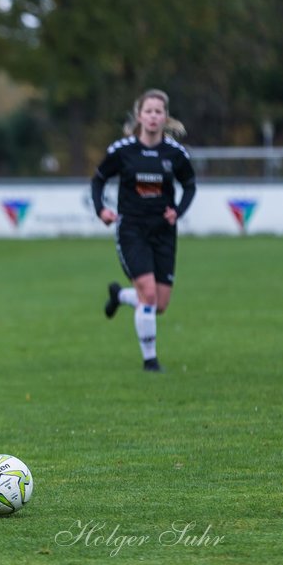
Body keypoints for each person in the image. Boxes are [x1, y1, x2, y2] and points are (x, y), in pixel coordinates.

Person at [92, 88, 196, 372]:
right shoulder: (122, 151)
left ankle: (121, 296)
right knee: (148, 294)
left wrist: (178, 211)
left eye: (158, 111)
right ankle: (150, 360)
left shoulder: (174, 154)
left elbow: (189, 185)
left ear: (165, 117)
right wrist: (101, 209)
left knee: (159, 304)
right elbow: (98, 180)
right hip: (132, 230)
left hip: (163, 232)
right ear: (139, 116)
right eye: (148, 111)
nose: (153, 116)